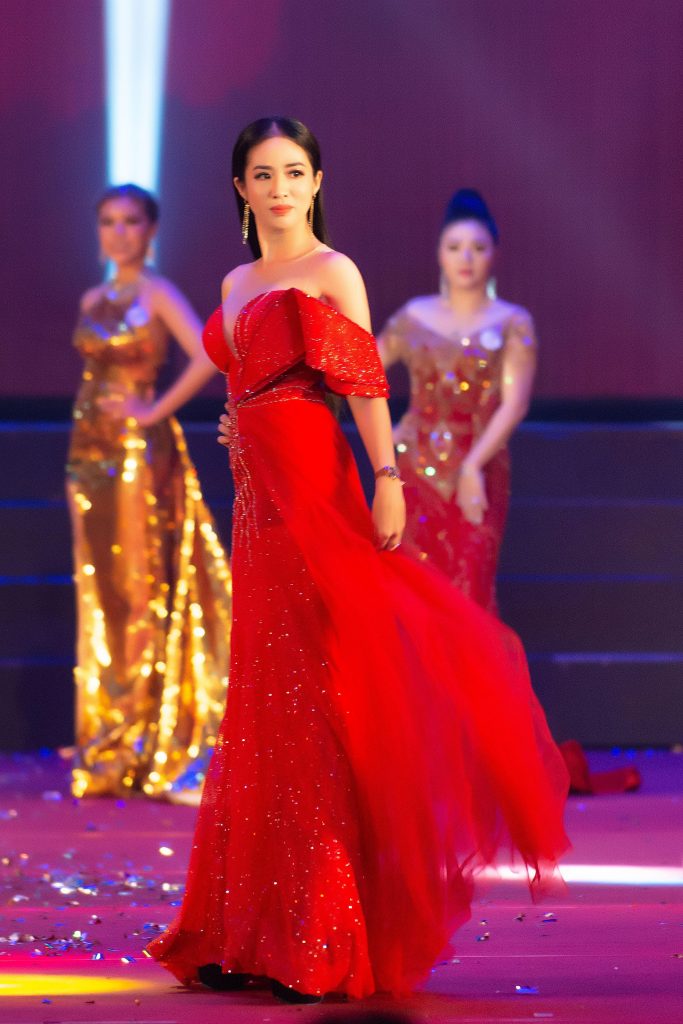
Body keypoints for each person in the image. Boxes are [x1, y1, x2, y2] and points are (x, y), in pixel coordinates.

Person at [148, 118, 568, 1003]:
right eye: (263, 174)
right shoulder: (233, 280)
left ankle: (318, 932)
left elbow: (366, 384)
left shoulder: (333, 271)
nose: (280, 188)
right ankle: (240, 926)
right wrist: (235, 421)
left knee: (312, 688)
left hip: (314, 485)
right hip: (255, 500)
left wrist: (385, 477)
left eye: (294, 172)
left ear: (316, 181)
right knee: (260, 694)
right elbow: (245, 380)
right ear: (241, 188)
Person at [66, 184, 232, 802]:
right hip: (88, 454)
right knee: (99, 590)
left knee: (139, 590)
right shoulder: (93, 298)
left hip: (138, 454)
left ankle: (148, 738)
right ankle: (110, 736)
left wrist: (155, 409)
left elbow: (211, 353)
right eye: (108, 221)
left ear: (151, 230)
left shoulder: (157, 293)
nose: (119, 233)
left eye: (131, 221)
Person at [377, 190, 536, 614]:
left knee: (469, 588)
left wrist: (472, 467)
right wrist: (385, 432)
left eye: (478, 248)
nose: (466, 258)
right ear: (440, 255)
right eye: (454, 247)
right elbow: (360, 372)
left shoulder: (512, 323)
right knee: (412, 592)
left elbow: (515, 404)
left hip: (479, 468)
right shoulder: (414, 316)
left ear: (493, 255)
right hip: (414, 470)